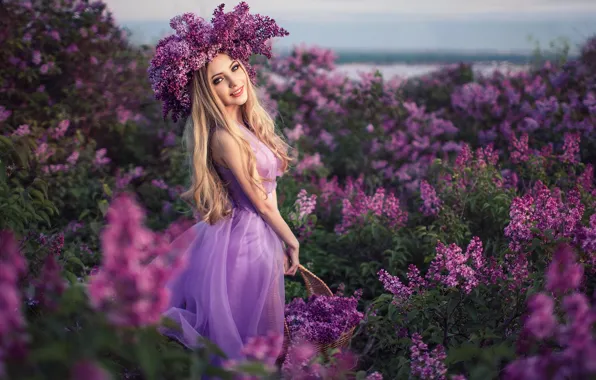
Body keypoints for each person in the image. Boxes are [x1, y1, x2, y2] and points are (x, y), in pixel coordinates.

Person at [147, 1, 299, 366]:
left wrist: (279, 242)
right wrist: (291, 238)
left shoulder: (248, 128)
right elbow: (259, 203)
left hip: (261, 238)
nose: (234, 82)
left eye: (234, 68)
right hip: (243, 243)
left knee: (261, 334)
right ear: (206, 92)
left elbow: (270, 194)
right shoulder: (223, 139)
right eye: (219, 79)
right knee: (240, 339)